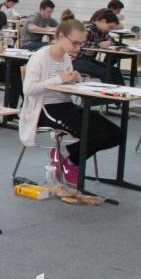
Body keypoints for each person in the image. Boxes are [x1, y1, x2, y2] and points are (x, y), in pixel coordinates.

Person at [18, 19, 120, 186]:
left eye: (81, 44)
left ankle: (63, 153)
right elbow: (28, 90)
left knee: (117, 134)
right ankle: (73, 162)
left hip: (66, 105)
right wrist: (59, 79)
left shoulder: (65, 57)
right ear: (60, 36)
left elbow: (63, 84)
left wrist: (74, 79)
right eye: (75, 43)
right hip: (45, 109)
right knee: (96, 134)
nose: (78, 48)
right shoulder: (40, 57)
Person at [72, 10, 124, 85]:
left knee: (115, 70)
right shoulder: (87, 29)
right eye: (110, 27)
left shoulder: (102, 31)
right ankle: (109, 95)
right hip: (76, 60)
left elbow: (111, 40)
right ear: (103, 21)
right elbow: (82, 44)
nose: (109, 29)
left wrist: (111, 42)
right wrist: (99, 45)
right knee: (104, 72)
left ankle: (123, 92)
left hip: (88, 59)